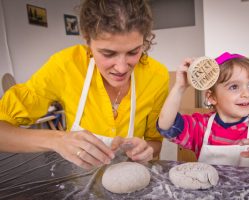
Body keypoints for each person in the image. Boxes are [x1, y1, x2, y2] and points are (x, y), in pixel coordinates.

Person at [0, 0, 169, 169]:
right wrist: (57, 139)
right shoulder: (66, 66)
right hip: (79, 182)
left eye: (133, 52)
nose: (122, 67)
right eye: (108, 53)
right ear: (87, 41)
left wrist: (146, 149)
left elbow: (155, 142)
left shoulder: (157, 76)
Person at [157, 52, 249, 173]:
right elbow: (165, 126)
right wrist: (180, 87)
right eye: (234, 87)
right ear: (212, 97)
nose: (246, 93)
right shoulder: (201, 126)